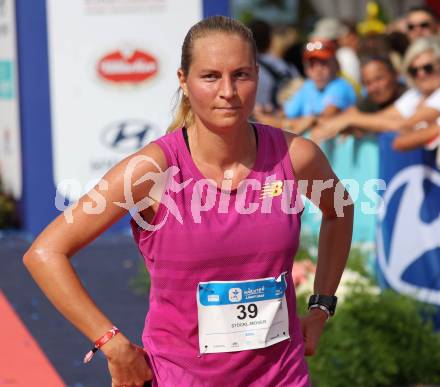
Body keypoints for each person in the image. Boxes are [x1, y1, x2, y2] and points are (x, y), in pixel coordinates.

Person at [23, 16, 353, 386]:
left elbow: (340, 211)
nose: (227, 90)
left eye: (241, 75)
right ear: (183, 80)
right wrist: (112, 345)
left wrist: (321, 306)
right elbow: (45, 253)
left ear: (257, 77)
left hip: (283, 378)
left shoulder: (295, 156)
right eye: (210, 76)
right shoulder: (152, 170)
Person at [313, 37, 440, 141]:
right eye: (414, 70)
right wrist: (349, 123)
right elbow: (383, 117)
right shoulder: (415, 94)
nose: (421, 74)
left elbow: (404, 124)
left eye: (427, 68)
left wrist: (351, 120)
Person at [254, 38, 356, 134]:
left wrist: (282, 123)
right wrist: (265, 114)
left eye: (324, 63)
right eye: (312, 64)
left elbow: (324, 118)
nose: (318, 70)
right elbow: (285, 113)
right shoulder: (308, 86)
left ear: (336, 66)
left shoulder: (341, 86)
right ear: (306, 69)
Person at [312, 55, 405, 141]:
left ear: (396, 74)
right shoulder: (368, 99)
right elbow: (337, 120)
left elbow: (401, 123)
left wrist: (352, 121)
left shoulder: (410, 95)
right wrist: (313, 120)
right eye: (368, 83)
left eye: (379, 79)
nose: (374, 88)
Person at [248, 19, 300, 110]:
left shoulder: (241, 68)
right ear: (269, 39)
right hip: (281, 118)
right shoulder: (286, 67)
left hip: (253, 119)